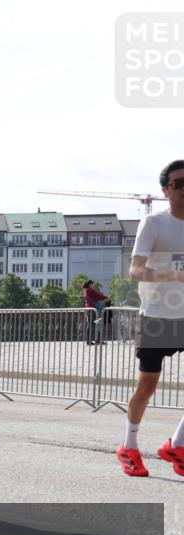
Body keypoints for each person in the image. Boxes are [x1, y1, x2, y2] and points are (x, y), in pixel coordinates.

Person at [118, 159, 184, 477]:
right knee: (147, 386)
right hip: (157, 315)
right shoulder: (154, 224)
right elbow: (135, 270)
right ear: (165, 190)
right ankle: (129, 446)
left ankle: (177, 444)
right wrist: (173, 275)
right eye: (179, 183)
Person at [83, 279, 112, 345]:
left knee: (91, 325)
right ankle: (95, 340)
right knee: (94, 324)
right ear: (90, 284)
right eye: (93, 284)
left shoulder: (86, 291)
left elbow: (97, 297)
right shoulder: (90, 290)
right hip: (91, 309)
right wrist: (107, 297)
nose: (94, 286)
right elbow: (98, 296)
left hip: (89, 309)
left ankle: (90, 341)